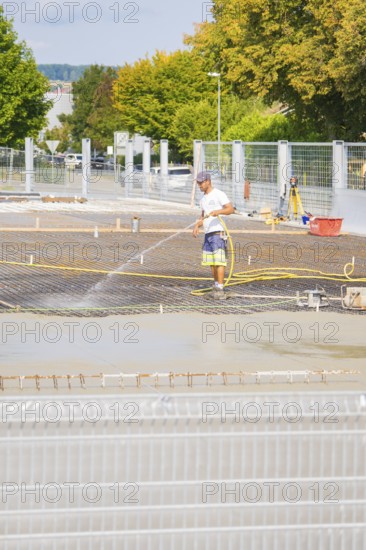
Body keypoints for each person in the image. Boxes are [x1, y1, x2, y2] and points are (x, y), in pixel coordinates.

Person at [193, 171, 235, 300]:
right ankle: (216, 285)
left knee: (219, 261)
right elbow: (203, 215)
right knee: (211, 262)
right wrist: (197, 225)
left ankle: (220, 288)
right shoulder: (203, 199)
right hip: (208, 233)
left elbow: (230, 209)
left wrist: (218, 211)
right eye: (198, 183)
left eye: (201, 183)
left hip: (218, 232)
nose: (199, 185)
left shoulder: (218, 194)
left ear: (208, 181)